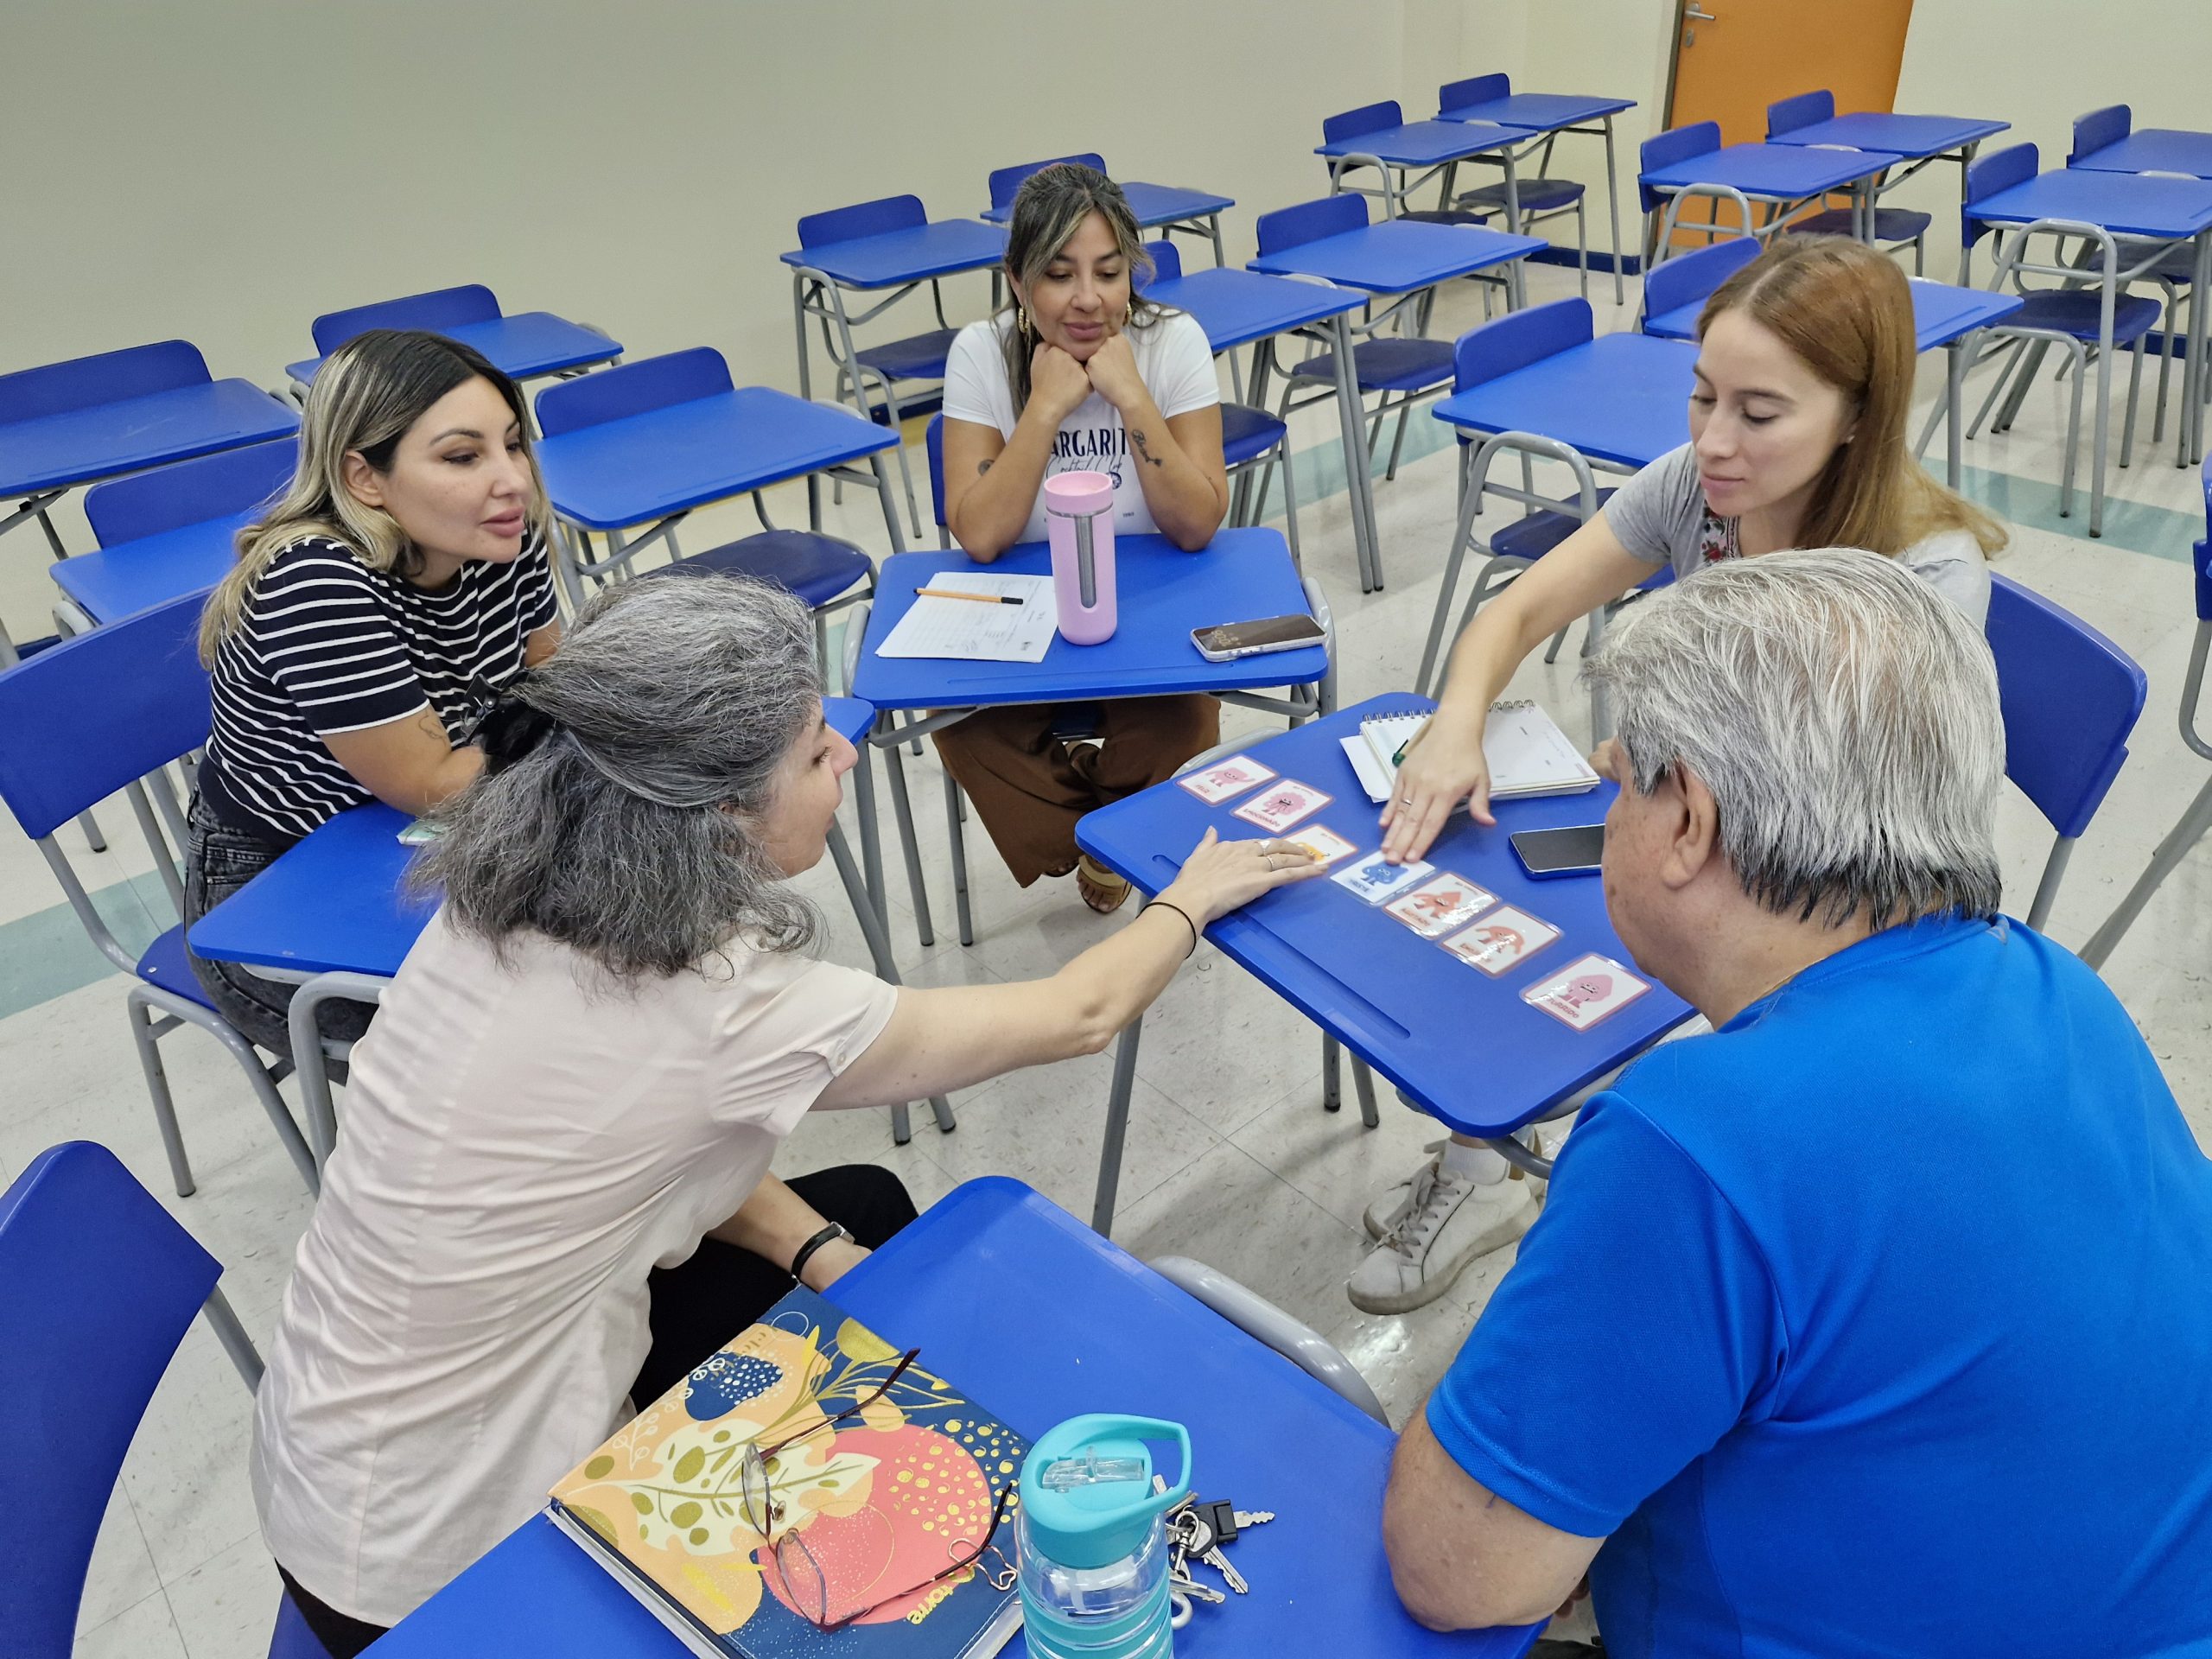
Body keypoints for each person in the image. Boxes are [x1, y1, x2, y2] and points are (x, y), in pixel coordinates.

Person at [249, 575, 1322, 1652]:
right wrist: (1192, 897)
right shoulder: (716, 1002)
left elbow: (655, 1134)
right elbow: (1079, 1013)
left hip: (329, 1448)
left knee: (857, 1207)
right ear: (716, 812)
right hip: (441, 1551)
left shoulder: (502, 899)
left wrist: (812, 1248)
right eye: (815, 751)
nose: (847, 755)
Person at [1381, 550, 2212, 1657]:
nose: (1609, 792)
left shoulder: (1697, 1145)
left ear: (1690, 826)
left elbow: (1454, 1569)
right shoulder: (2058, 988)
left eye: (1628, 779)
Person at [1347, 235, 2010, 1314]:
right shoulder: (1698, 492)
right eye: (1702, 397)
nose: (1713, 441)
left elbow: (1845, 834)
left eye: (1759, 413)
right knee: (1491, 919)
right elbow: (1514, 611)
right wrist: (1454, 724)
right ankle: (1490, 1155)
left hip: (1846, 903)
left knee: (1610, 979)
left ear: (1857, 414)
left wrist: (1685, 778)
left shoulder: (1925, 580)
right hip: (1695, 835)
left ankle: (1601, 1197)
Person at [186, 329, 563, 1055]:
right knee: (497, 1059)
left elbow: (559, 682)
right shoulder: (316, 583)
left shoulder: (499, 532)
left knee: (619, 980)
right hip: (282, 881)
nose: (511, 479)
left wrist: (556, 721)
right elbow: (436, 786)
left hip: (439, 826)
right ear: (365, 479)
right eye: (462, 456)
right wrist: (556, 727)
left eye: (513, 444)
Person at [937, 162, 1230, 913]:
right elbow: (979, 535)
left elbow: (1198, 524)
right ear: (1018, 281)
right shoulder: (979, 352)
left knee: (1186, 718)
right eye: (1060, 275)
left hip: (1147, 603)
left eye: (1109, 272)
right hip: (1027, 613)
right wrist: (1043, 409)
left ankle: (1110, 838)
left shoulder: (1174, 343)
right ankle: (1100, 836)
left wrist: (1131, 395)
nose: (1089, 299)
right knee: (964, 728)